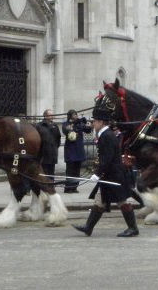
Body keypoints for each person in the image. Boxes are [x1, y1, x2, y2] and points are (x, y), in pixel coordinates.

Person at [72, 101, 138, 237]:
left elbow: (106, 159)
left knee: (122, 201)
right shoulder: (105, 134)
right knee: (100, 201)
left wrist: (97, 173)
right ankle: (88, 227)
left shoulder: (107, 136)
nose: (92, 124)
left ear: (101, 122)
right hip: (109, 175)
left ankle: (133, 228)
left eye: (94, 121)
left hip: (114, 175)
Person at [61, 110, 91, 193]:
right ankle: (68, 188)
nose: (76, 116)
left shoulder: (79, 123)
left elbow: (88, 130)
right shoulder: (66, 124)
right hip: (70, 151)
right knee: (70, 170)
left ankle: (74, 187)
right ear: (70, 116)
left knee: (77, 170)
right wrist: (72, 126)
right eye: (74, 114)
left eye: (76, 114)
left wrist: (88, 125)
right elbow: (66, 130)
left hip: (78, 150)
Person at [36, 109, 62, 179]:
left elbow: (58, 138)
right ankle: (44, 186)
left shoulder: (55, 125)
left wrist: (55, 147)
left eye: (52, 115)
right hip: (43, 153)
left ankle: (51, 185)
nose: (52, 117)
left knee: (51, 172)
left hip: (52, 153)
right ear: (45, 116)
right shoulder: (39, 126)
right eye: (50, 115)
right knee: (43, 171)